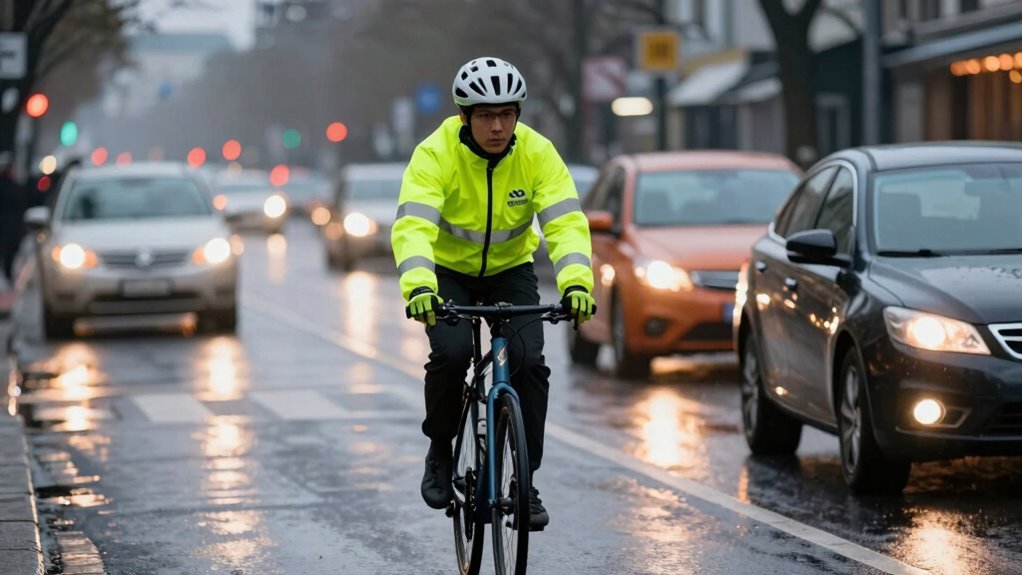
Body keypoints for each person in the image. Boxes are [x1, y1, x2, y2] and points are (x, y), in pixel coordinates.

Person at [391, 56, 596, 530]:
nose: (498, 126)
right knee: (452, 353)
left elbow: (565, 222)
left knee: (529, 364)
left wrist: (577, 284)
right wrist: (420, 285)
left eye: (507, 114)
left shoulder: (538, 153)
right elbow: (413, 226)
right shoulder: (434, 153)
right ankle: (440, 450)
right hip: (447, 274)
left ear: (519, 114)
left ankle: (526, 482)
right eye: (485, 115)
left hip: (510, 271)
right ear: (464, 116)